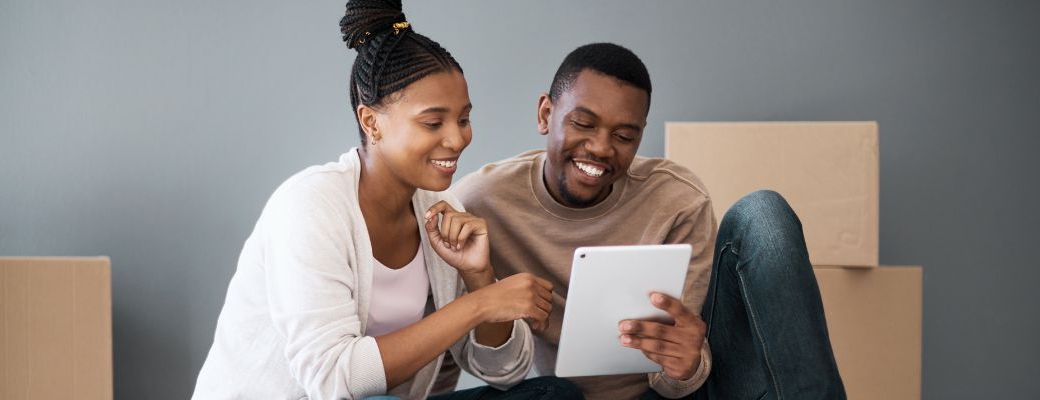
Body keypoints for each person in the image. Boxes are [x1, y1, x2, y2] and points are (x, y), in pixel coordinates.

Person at [192, 1, 581, 399]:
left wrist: (478, 274)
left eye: (463, 118)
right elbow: (333, 381)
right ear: (370, 121)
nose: (458, 138)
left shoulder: (440, 209)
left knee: (552, 393)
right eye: (433, 123)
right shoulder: (309, 206)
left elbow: (505, 372)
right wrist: (479, 304)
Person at [452, 43, 846, 399]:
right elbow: (488, 365)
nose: (601, 147)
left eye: (624, 136)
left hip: (673, 395)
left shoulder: (676, 200)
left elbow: (684, 377)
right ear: (545, 114)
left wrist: (687, 363)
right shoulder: (481, 202)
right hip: (556, 395)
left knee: (764, 212)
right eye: (583, 124)